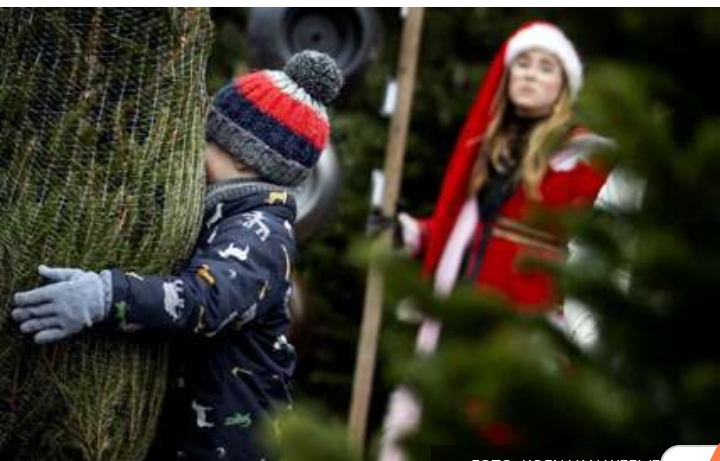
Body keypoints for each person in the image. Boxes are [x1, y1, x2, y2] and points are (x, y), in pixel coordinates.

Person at [11, 50, 343, 461]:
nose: (196, 148)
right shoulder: (228, 216)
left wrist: (104, 294)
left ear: (243, 155)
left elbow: (204, 300)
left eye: (210, 138)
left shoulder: (261, 234)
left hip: (232, 447)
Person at [380, 22, 616, 460]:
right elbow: (471, 229)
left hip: (525, 313)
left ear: (564, 84)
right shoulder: (491, 147)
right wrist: (414, 232)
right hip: (464, 308)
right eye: (522, 65)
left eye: (545, 68)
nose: (529, 74)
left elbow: (603, 246)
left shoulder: (585, 157)